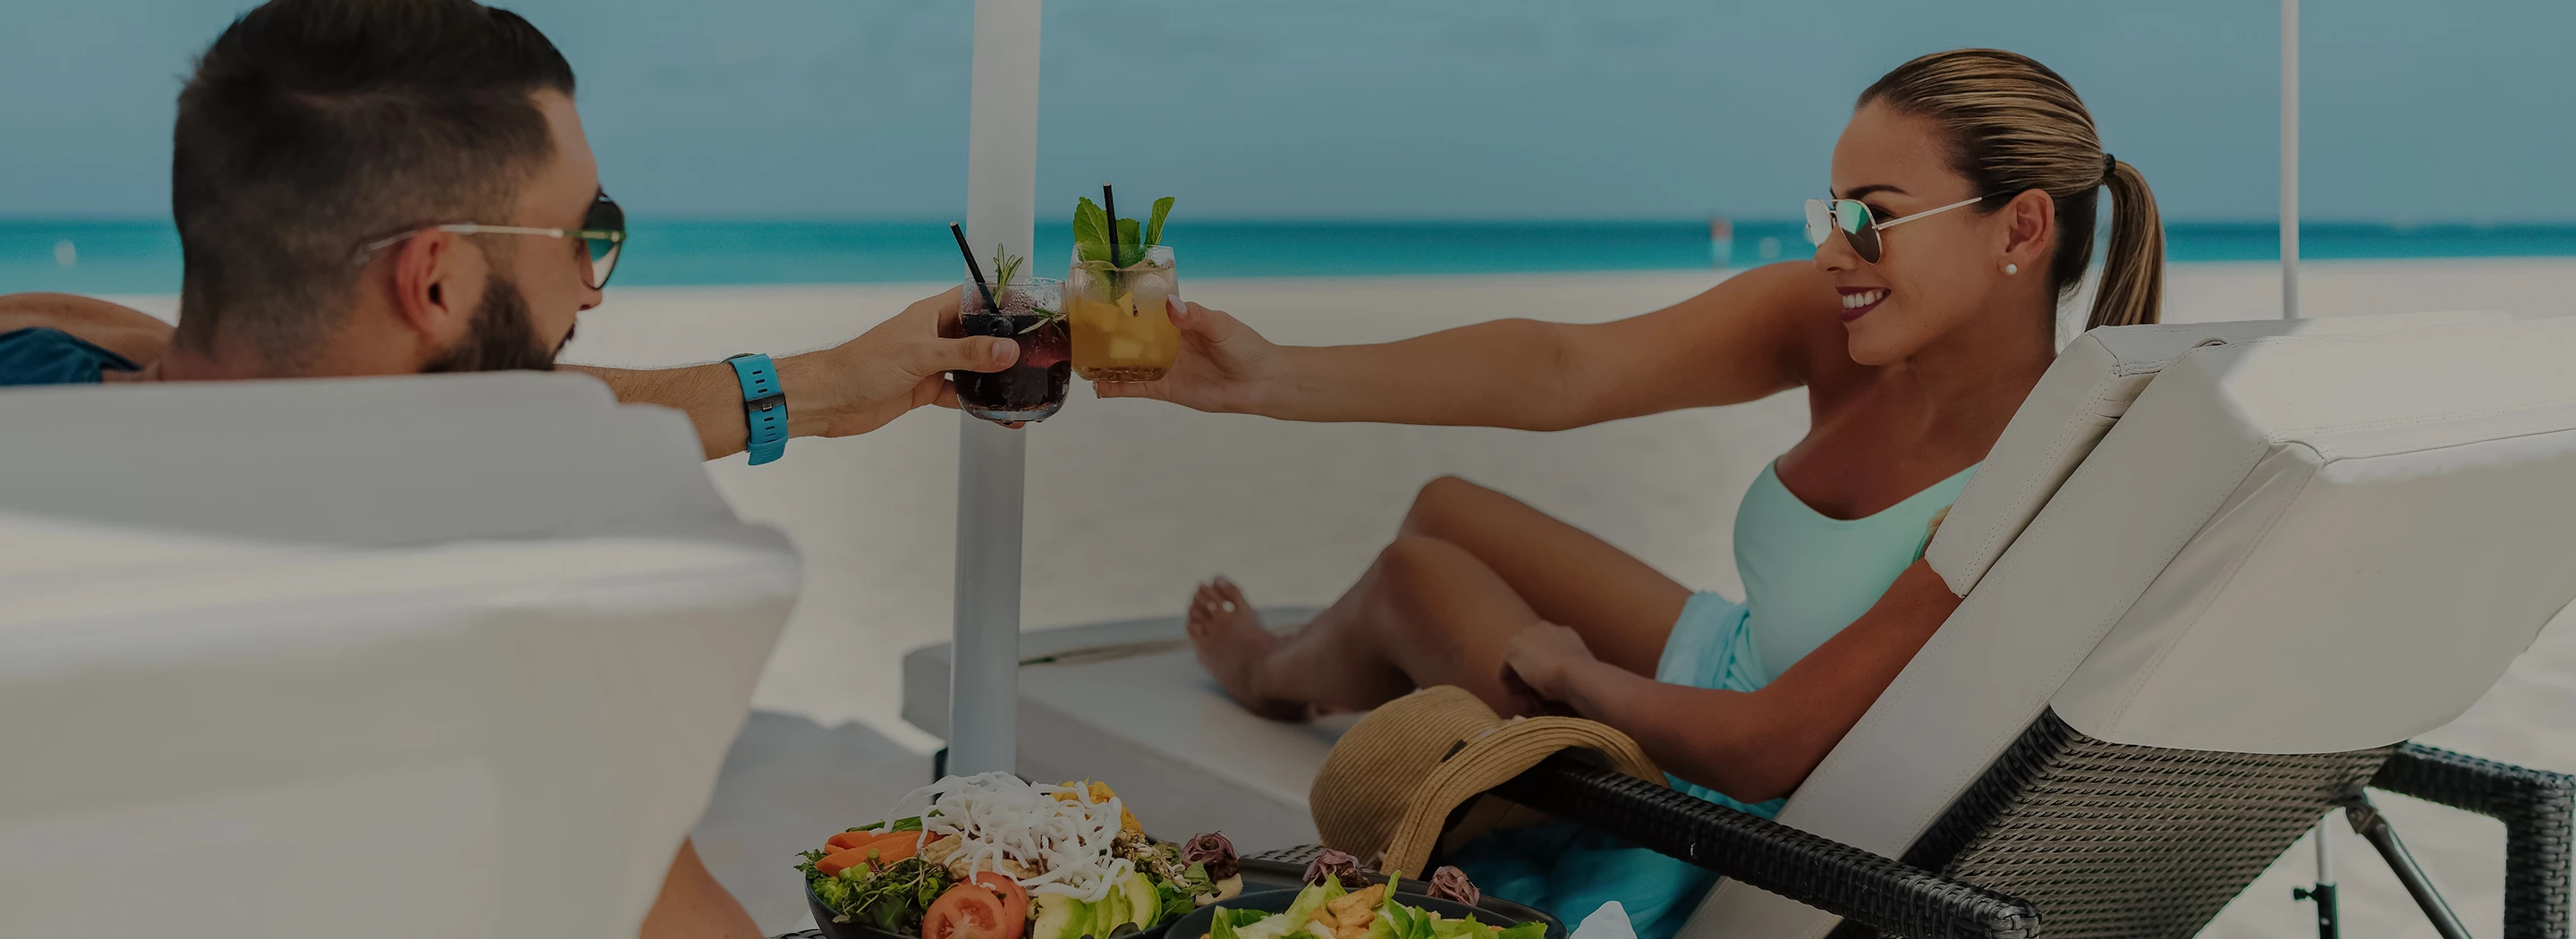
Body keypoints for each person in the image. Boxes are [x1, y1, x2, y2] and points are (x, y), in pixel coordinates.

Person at [0, 2, 1023, 935]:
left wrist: (825, 386)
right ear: (434, 279)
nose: (593, 285)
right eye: (586, 233)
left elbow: (319, 401)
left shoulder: (44, 363)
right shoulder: (495, 643)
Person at [1101, 48, 2165, 937]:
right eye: (1830, 212)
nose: (1835, 251)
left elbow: (1765, 748)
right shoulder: (1847, 323)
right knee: (1450, 507)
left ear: (2021, 230)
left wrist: (1574, 671)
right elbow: (1570, 371)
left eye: (1874, 219)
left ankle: (1273, 676)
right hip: (1735, 651)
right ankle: (1326, 664)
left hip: (1721, 769)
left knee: (1416, 573)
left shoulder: (2024, 482)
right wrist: (1270, 378)